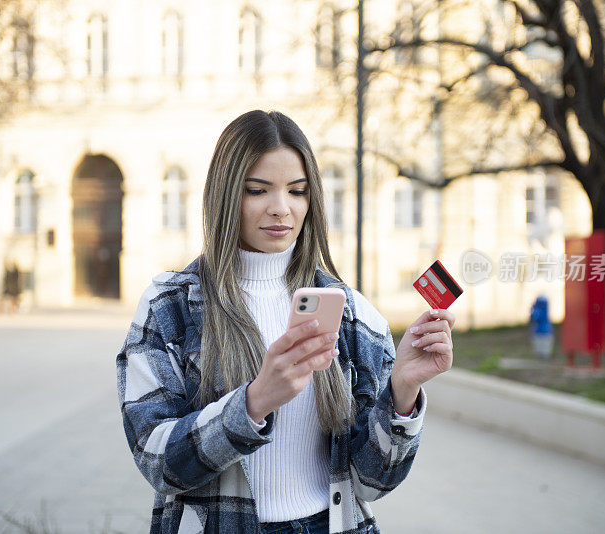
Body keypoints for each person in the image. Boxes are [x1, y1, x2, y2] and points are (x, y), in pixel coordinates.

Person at [116, 110, 456, 534]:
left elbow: (373, 482)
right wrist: (254, 402)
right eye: (258, 190)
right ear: (225, 195)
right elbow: (157, 462)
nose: (281, 209)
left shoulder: (353, 314)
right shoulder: (171, 305)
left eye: (297, 191)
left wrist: (403, 392)